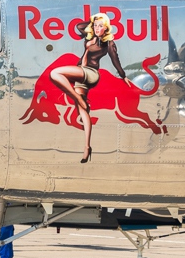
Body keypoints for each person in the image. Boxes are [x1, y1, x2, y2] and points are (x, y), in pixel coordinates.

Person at [48, 13, 128, 163]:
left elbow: (115, 60)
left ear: (106, 28)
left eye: (101, 26)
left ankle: (77, 97)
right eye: (96, 25)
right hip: (81, 76)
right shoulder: (89, 36)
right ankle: (87, 147)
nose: (97, 28)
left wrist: (123, 76)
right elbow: (79, 26)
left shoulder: (108, 43)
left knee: (55, 73)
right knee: (82, 110)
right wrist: (94, 20)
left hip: (90, 73)